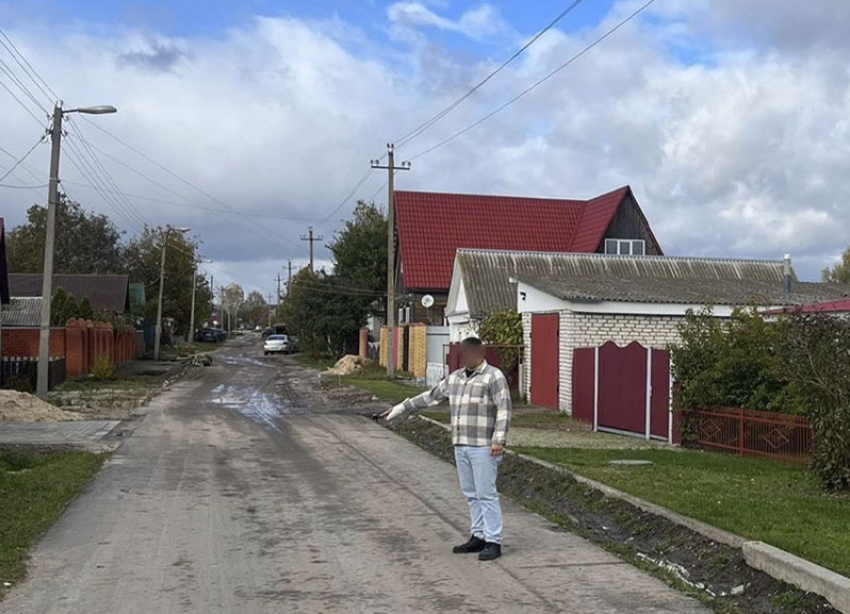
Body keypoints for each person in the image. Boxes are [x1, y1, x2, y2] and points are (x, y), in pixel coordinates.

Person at [381, 336, 512, 561]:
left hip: (483, 446)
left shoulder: (493, 376)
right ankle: (478, 535)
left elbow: (504, 410)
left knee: (486, 493)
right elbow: (430, 397)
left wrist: (498, 440)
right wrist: (402, 407)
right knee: (471, 493)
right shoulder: (455, 378)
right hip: (461, 444)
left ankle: (494, 540)